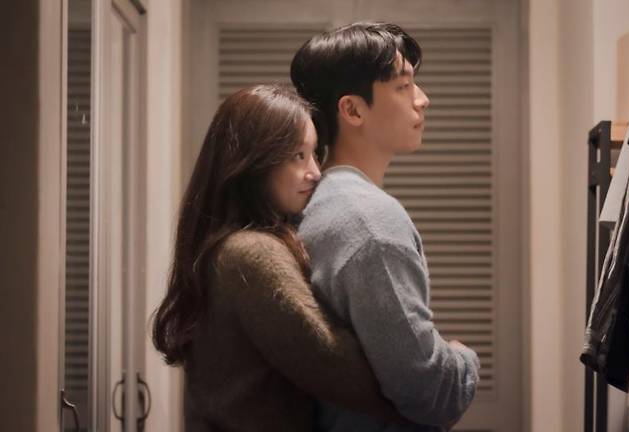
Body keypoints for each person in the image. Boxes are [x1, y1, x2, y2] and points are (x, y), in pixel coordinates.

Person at [151, 84, 405, 431]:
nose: (316, 172)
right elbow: (340, 370)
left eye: (314, 154)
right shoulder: (250, 254)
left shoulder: (222, 247)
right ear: (252, 162)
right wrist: (443, 369)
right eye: (297, 156)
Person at [291, 22, 481, 431]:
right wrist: (464, 358)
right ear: (353, 110)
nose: (423, 100)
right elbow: (428, 392)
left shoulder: (320, 200)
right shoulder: (369, 222)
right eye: (403, 86)